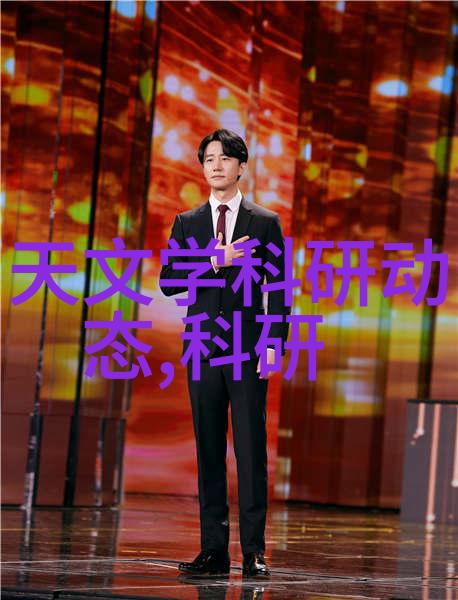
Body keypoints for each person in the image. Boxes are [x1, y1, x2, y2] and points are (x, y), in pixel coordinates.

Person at [159, 129, 290, 578]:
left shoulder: (265, 222)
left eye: (224, 158)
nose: (215, 166)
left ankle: (254, 552)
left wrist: (273, 344)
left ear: (241, 167)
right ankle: (214, 551)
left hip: (247, 348)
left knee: (250, 451)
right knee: (209, 451)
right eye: (209, 159)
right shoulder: (188, 222)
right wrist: (216, 260)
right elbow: (169, 281)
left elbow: (278, 289)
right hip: (202, 346)